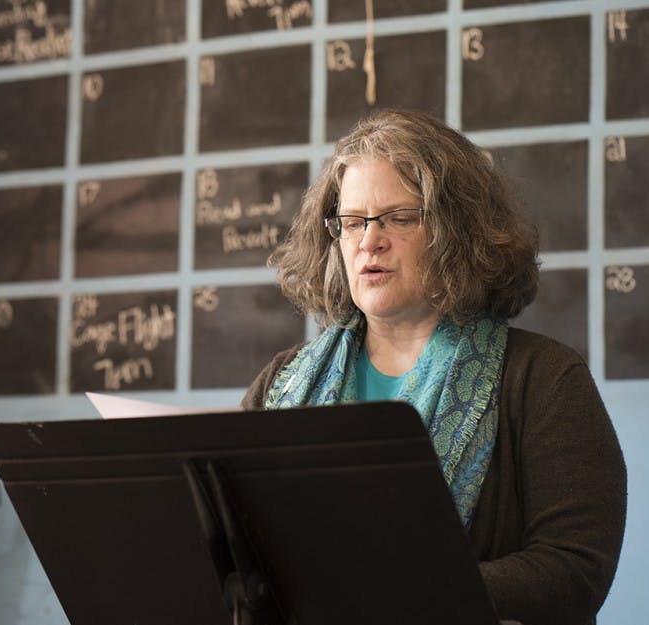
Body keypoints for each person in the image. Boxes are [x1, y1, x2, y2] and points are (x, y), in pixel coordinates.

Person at [243, 108, 626, 625]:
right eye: (352, 222)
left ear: (458, 230)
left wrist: (401, 594)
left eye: (399, 217)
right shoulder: (279, 384)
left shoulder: (544, 379)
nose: (368, 241)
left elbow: (575, 570)